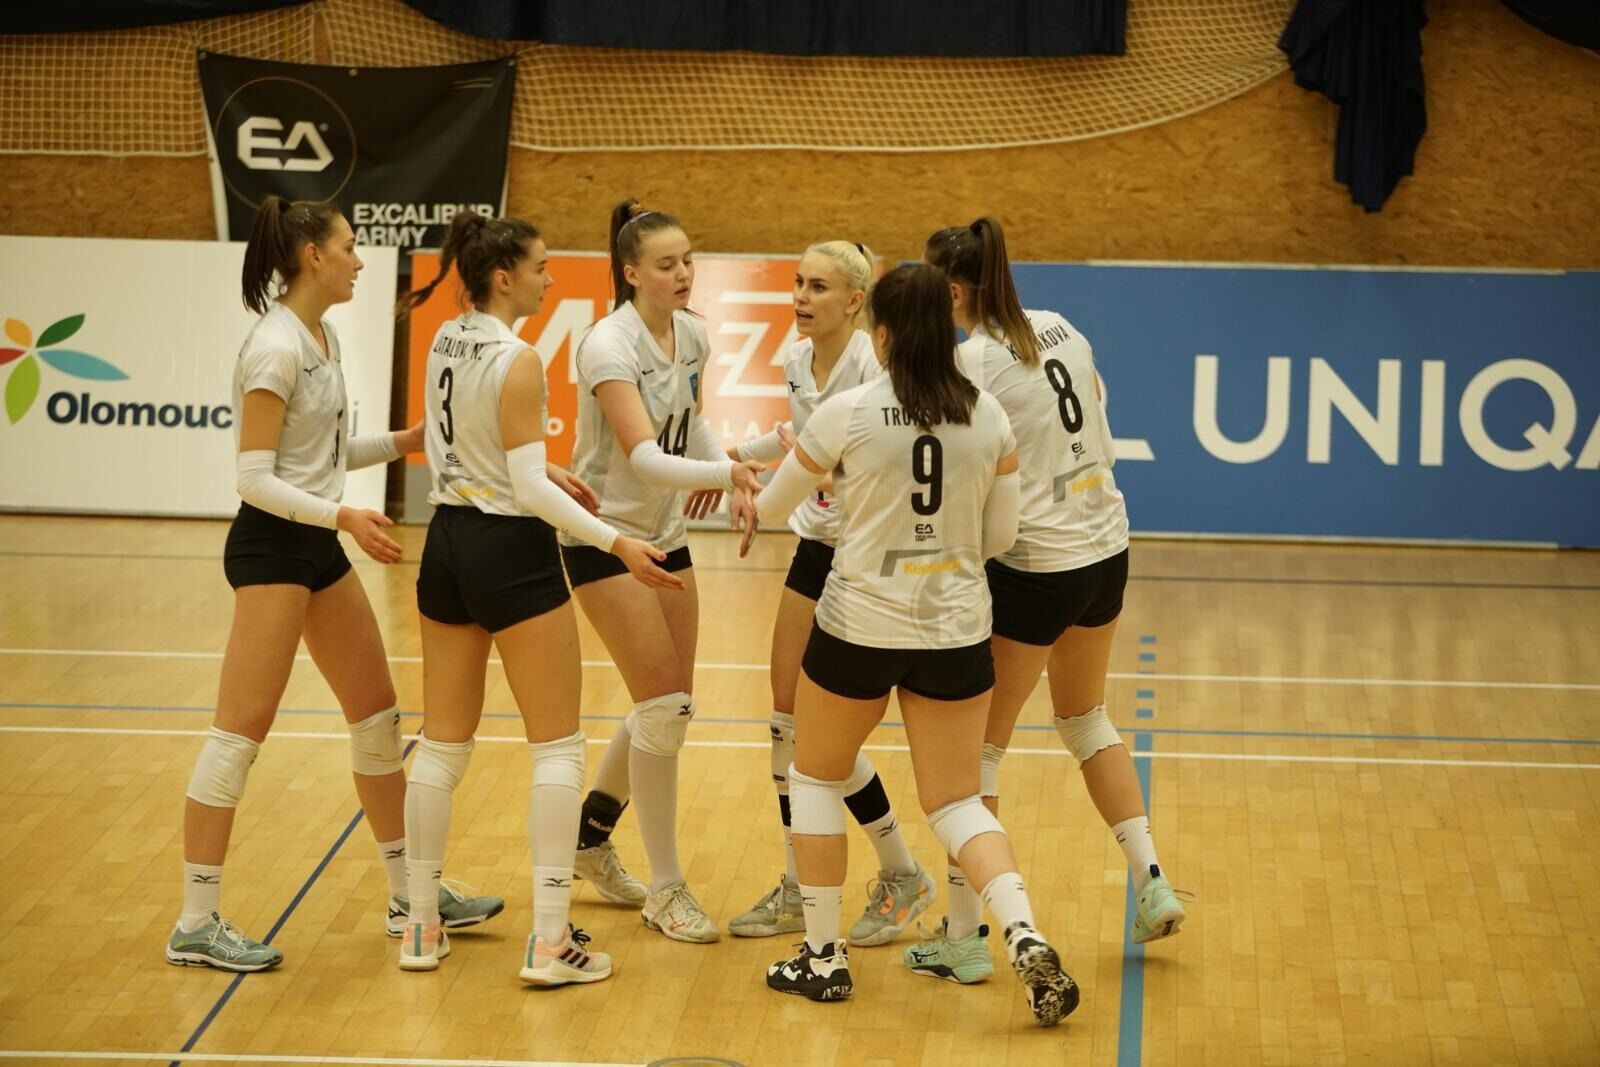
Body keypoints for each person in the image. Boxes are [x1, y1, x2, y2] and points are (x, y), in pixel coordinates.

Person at [166, 196, 501, 973]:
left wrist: (407, 440)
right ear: (312, 255)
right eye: (349, 246)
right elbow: (254, 478)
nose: (359, 259)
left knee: (378, 720)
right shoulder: (274, 347)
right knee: (237, 736)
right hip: (272, 549)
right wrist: (344, 516)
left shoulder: (325, 335)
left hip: (313, 544)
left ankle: (407, 894)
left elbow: (323, 452)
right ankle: (195, 920)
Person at [755, 263, 1076, 1027]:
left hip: (859, 624)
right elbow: (1001, 535)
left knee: (815, 775)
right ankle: (1023, 932)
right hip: (955, 628)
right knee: (958, 800)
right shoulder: (988, 416)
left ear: (883, 333)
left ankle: (823, 958)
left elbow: (772, 509)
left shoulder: (848, 411)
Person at [393, 210, 684, 980]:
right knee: (557, 747)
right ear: (503, 277)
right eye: (541, 267)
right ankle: (552, 941)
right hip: (509, 551)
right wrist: (616, 541)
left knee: (441, 745)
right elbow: (522, 488)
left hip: (445, 543)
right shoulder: (518, 358)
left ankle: (419, 926)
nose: (550, 279)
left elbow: (460, 442)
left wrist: (539, 468)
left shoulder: (447, 336)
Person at [905, 216, 1185, 986]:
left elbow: (958, 471)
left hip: (1037, 564)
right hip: (1106, 548)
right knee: (1086, 717)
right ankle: (1152, 878)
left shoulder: (972, 361)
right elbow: (1100, 425)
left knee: (976, 756)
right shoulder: (1062, 326)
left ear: (952, 291)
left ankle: (965, 936)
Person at [561, 199, 764, 944]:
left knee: (670, 705)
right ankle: (667, 888)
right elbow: (645, 455)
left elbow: (691, 421)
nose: (683, 274)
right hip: (604, 536)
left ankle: (589, 837)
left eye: (688, 261)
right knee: (661, 705)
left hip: (665, 531)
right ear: (631, 273)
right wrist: (723, 471)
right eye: (667, 265)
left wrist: (722, 465)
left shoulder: (693, 333)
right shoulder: (607, 344)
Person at [724, 240, 935, 944]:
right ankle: (806, 884)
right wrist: (731, 461)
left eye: (818, 287)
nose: (801, 297)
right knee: (787, 723)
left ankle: (897, 872)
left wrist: (814, 475)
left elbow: (884, 463)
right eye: (797, 283)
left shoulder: (877, 372)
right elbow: (798, 436)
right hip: (815, 548)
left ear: (855, 301)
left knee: (821, 736)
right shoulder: (795, 359)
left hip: (865, 559)